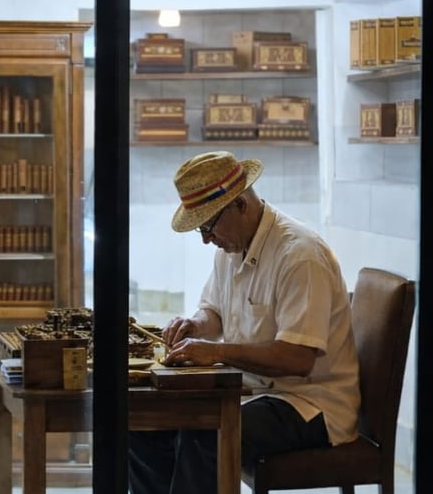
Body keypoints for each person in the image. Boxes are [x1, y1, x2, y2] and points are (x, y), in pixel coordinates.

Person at [128, 150, 360, 494]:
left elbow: (298, 358)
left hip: (307, 404)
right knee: (143, 423)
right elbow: (213, 312)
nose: (206, 239)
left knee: (207, 433)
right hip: (249, 391)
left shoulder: (300, 256)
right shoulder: (230, 248)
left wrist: (217, 352)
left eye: (208, 226)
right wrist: (195, 325)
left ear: (240, 205)